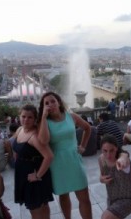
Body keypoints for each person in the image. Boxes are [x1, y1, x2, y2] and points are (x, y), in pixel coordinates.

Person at [37, 91, 92, 219]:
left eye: (53, 101)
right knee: (64, 196)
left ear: (59, 102)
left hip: (74, 160)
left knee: (84, 197)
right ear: (43, 107)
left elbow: (87, 128)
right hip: (57, 164)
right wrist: (44, 118)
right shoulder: (44, 122)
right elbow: (43, 141)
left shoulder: (71, 116)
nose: (50, 104)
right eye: (46, 103)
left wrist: (83, 146)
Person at [13, 104, 54, 219]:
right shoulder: (19, 130)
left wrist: (37, 175)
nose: (26, 119)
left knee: (35, 209)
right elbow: (18, 150)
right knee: (42, 205)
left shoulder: (34, 136)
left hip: (34, 175)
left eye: (30, 117)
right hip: (23, 173)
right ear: (19, 117)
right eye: (23, 116)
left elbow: (49, 156)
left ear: (35, 119)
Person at [98, 134, 131, 219]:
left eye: (112, 150)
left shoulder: (122, 160)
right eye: (105, 151)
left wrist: (122, 159)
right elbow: (102, 176)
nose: (108, 155)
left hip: (130, 198)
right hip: (113, 197)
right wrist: (101, 179)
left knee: (106, 217)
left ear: (117, 148)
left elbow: (124, 157)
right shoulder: (101, 159)